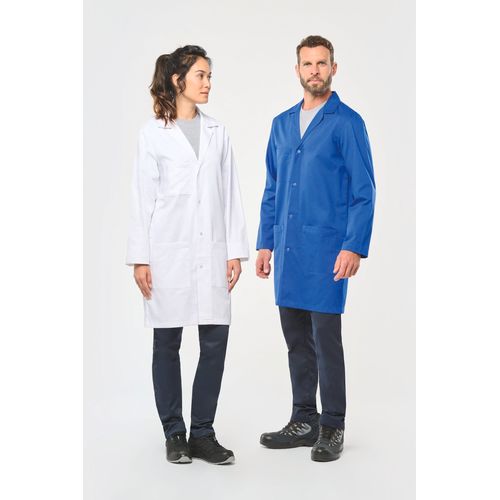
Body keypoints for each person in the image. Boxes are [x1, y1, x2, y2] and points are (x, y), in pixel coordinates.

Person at [126, 45, 249, 465]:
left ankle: (203, 433)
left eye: (209, 75)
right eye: (201, 75)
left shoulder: (218, 132)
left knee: (215, 341)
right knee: (167, 342)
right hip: (168, 253)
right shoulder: (152, 134)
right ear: (178, 81)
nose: (208, 83)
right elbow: (142, 198)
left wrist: (234, 251)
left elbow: (230, 193)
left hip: (211, 251)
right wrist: (141, 258)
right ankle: (174, 433)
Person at [256, 35, 376, 462]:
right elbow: (272, 187)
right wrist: (265, 242)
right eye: (307, 64)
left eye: (322, 63)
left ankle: (333, 425)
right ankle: (304, 419)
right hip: (289, 250)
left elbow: (364, 191)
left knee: (326, 341)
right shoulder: (281, 124)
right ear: (297, 70)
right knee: (296, 341)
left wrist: (353, 246)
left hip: (327, 252)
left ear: (333, 68)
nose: (315, 71)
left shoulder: (347, 123)